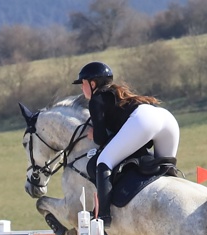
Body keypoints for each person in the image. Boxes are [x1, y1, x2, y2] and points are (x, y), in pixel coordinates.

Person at [74, 61, 180, 223]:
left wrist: (93, 134)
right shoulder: (118, 93)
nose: (82, 88)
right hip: (167, 118)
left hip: (144, 121)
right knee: (167, 170)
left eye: (83, 83)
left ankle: (103, 215)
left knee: (103, 161)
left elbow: (101, 139)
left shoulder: (96, 99)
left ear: (93, 84)